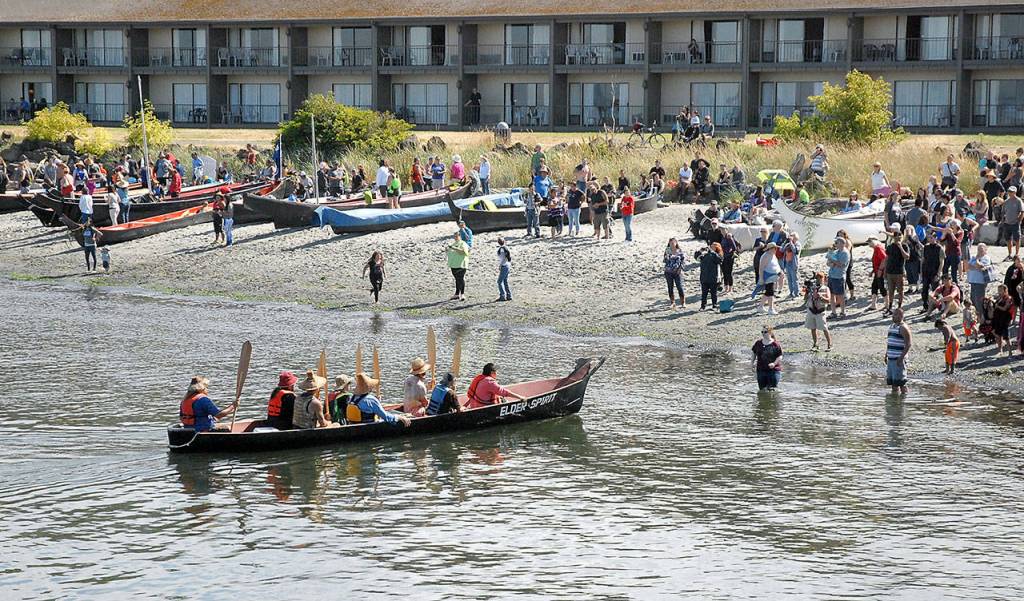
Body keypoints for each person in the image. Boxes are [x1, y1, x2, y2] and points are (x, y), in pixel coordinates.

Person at [885, 308, 912, 395]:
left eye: (895, 315)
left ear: (901, 316)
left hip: (899, 359)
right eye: (893, 314)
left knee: (902, 383)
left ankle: (904, 401)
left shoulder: (903, 328)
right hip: (891, 358)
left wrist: (901, 358)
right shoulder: (891, 326)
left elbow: (908, 344)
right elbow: (889, 341)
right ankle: (894, 404)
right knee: (893, 383)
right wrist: (886, 354)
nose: (893, 316)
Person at [884, 227, 909, 315]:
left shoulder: (905, 246)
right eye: (896, 237)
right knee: (891, 291)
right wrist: (884, 272)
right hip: (890, 271)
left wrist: (900, 247)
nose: (898, 238)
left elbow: (907, 257)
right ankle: (890, 307)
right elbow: (887, 259)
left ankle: (899, 307)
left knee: (900, 290)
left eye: (899, 236)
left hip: (899, 272)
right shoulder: (890, 247)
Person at [805, 272, 832, 352]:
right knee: (813, 328)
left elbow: (828, 300)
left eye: (820, 278)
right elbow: (805, 299)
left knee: (824, 328)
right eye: (817, 278)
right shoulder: (811, 288)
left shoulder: (826, 288)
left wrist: (820, 296)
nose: (818, 280)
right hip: (811, 310)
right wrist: (807, 291)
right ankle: (815, 344)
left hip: (820, 311)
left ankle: (830, 344)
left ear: (824, 279)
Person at [751, 325, 783, 391]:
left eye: (765, 332)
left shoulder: (775, 344)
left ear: (770, 332)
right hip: (761, 370)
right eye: (762, 332)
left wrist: (774, 364)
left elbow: (780, 356)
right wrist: (752, 363)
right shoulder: (758, 343)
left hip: (773, 371)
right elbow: (754, 352)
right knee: (762, 390)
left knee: (772, 390)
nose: (763, 333)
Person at [826, 237, 850, 318]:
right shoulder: (836, 252)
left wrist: (832, 261)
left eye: (837, 242)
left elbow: (842, 264)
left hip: (839, 276)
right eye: (835, 242)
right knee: (831, 295)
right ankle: (833, 312)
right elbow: (828, 263)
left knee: (840, 295)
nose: (835, 244)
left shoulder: (845, 253)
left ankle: (843, 312)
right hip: (832, 275)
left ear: (842, 243)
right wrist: (832, 262)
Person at [966, 243, 994, 311]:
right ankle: (977, 314)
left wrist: (976, 262)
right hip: (973, 280)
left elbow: (980, 266)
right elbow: (968, 266)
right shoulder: (974, 257)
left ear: (985, 249)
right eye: (978, 249)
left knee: (979, 299)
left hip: (980, 282)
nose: (979, 251)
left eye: (981, 249)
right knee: (973, 298)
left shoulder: (986, 258)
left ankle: (982, 314)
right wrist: (975, 265)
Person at [447, 231, 471, 301]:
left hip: (461, 265)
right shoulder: (453, 243)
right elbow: (450, 252)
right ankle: (457, 294)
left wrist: (453, 248)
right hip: (453, 264)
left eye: (456, 236)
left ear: (460, 236)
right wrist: (447, 250)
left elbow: (463, 252)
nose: (455, 237)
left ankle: (462, 294)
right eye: (454, 236)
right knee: (457, 279)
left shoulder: (463, 243)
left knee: (460, 278)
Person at [698, 243, 722, 310]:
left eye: (713, 247)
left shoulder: (715, 255)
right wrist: (700, 251)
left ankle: (714, 305)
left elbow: (720, 260)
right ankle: (703, 306)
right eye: (711, 246)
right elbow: (697, 257)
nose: (711, 248)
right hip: (704, 277)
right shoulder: (704, 255)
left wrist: (713, 252)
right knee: (704, 293)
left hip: (713, 277)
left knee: (713, 293)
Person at [1001, 186, 1023, 260]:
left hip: (1015, 223)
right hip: (1007, 223)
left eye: (1012, 192)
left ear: (1015, 192)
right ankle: (1009, 254)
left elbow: (1022, 212)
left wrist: (1019, 220)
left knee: (1017, 239)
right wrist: (1003, 220)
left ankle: (1016, 254)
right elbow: (1003, 212)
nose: (1010, 193)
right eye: (1009, 191)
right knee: (1008, 239)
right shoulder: (1006, 201)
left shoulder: (1018, 201)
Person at [992, 284, 1015, 355]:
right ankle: (1000, 350)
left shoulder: (1008, 298)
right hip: (998, 318)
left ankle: (1010, 351)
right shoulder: (999, 298)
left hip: (1005, 319)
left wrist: (997, 306)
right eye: (998, 290)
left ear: (1005, 290)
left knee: (1006, 336)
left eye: (1000, 290)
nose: (999, 292)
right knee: (998, 334)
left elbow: (1005, 308)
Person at [663, 237, 685, 309]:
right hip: (668, 271)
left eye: (673, 243)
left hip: (677, 272)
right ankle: (672, 302)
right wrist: (667, 257)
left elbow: (682, 261)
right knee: (670, 287)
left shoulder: (680, 251)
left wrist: (680, 269)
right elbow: (665, 261)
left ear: (676, 243)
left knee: (680, 287)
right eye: (670, 243)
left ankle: (683, 302)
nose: (672, 244)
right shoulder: (667, 250)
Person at [781, 232, 801, 300]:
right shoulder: (788, 244)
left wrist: (791, 243)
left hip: (793, 264)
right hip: (787, 263)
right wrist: (785, 243)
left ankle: (796, 293)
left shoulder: (797, 244)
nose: (790, 237)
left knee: (794, 279)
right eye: (790, 236)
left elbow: (795, 251)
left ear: (795, 237)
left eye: (792, 236)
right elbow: (781, 250)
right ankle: (791, 292)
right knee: (789, 279)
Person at [721, 228, 741, 294]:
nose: (723, 232)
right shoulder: (722, 238)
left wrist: (731, 251)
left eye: (724, 230)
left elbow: (734, 247)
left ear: (726, 230)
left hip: (729, 257)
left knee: (729, 272)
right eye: (722, 230)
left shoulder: (729, 237)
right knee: (724, 272)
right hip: (723, 257)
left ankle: (730, 288)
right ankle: (726, 287)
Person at [496, 237, 512, 302]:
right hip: (508, 265)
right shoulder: (506, 248)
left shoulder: (502, 249)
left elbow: (503, 258)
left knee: (499, 281)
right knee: (505, 281)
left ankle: (502, 296)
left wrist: (500, 265)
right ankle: (509, 295)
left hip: (504, 266)